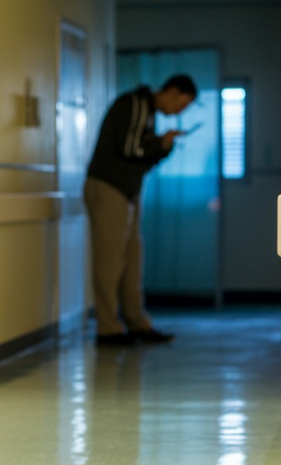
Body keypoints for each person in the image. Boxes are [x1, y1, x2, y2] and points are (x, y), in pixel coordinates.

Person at [85, 74, 197, 346]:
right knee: (110, 262)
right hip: (109, 187)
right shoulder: (135, 104)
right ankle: (108, 328)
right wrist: (160, 143)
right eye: (181, 105)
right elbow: (130, 148)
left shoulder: (147, 112)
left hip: (127, 191)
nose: (179, 112)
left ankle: (136, 323)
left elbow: (141, 157)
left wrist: (162, 147)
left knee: (132, 259)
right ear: (171, 91)